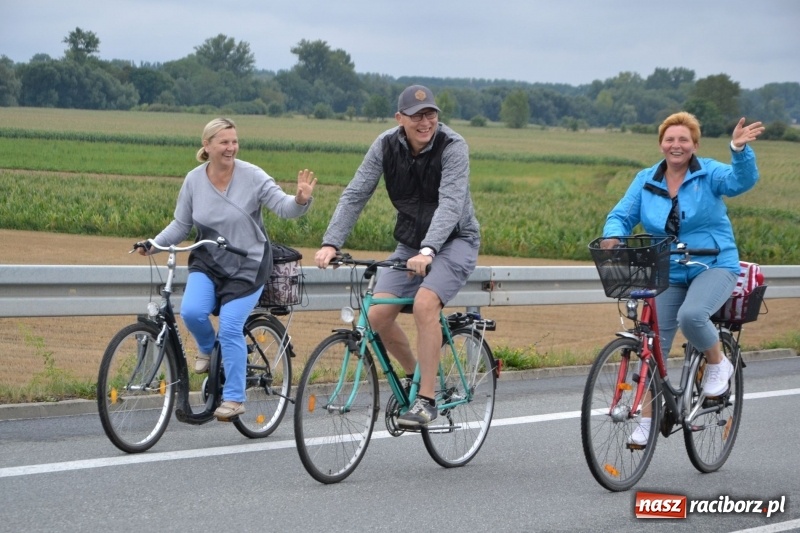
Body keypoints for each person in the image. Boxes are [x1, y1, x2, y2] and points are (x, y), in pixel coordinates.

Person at [314, 85, 481, 429]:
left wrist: (429, 248)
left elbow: (451, 203)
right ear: (399, 119)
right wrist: (331, 242)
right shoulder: (386, 145)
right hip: (410, 245)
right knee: (375, 317)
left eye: (430, 114)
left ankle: (427, 400)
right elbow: (356, 194)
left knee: (424, 304)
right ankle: (412, 378)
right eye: (417, 116)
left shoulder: (453, 147)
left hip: (454, 240)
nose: (425, 122)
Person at [601, 111, 764, 445]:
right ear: (661, 143)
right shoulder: (646, 179)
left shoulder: (709, 173)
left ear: (694, 145)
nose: (676, 145)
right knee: (650, 344)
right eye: (670, 139)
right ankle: (646, 422)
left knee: (692, 316)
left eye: (683, 140)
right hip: (667, 269)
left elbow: (741, 181)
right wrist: (613, 235)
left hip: (714, 264)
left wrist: (738, 149)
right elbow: (622, 213)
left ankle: (718, 364)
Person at [139, 117, 316, 421]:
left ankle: (234, 397)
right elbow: (182, 224)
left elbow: (285, 208)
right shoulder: (194, 180)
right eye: (224, 142)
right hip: (208, 261)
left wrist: (300, 200)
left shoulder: (252, 176)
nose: (231, 147)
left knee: (231, 326)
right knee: (192, 312)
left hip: (248, 263)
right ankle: (209, 350)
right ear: (206, 145)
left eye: (234, 141)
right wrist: (154, 243)